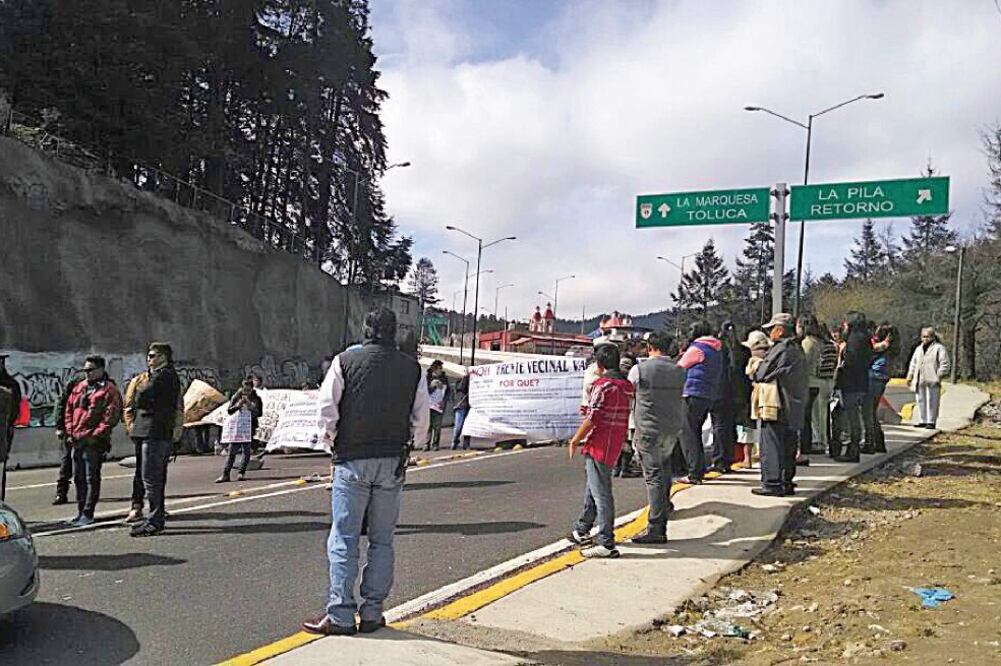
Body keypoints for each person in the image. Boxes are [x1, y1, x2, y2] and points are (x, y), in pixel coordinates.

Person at [301, 308, 428, 636]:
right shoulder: (412, 368)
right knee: (382, 539)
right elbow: (422, 418)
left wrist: (332, 441)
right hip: (392, 461)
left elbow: (326, 408)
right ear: (395, 332)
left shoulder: (345, 362)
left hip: (352, 459)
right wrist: (411, 442)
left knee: (344, 537)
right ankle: (373, 612)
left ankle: (341, 614)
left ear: (366, 329)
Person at [566, 343, 634, 558]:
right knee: (594, 488)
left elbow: (594, 417)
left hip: (599, 443)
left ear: (599, 363)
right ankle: (582, 528)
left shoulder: (602, 385)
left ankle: (606, 541)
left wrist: (575, 440)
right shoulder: (625, 386)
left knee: (601, 493)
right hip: (614, 441)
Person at [627, 332, 685, 544]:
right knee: (665, 469)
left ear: (650, 347)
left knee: (654, 477)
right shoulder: (680, 370)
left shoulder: (639, 370)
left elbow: (628, 392)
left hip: (648, 429)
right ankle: (665, 506)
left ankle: (656, 527)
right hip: (671, 428)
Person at [62, 356, 124, 526]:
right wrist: (70, 430)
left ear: (100, 369)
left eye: (90, 370)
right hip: (77, 438)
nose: (87, 373)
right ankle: (81, 511)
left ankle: (88, 512)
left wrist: (95, 434)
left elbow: (111, 416)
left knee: (91, 477)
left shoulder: (109, 389)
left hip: (94, 441)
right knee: (78, 477)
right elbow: (69, 409)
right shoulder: (79, 387)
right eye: (85, 370)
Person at [128, 342, 181, 537]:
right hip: (149, 431)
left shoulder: (164, 375)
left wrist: (142, 389)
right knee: (149, 477)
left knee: (152, 477)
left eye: (153, 356)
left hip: (155, 431)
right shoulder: (157, 376)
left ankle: (155, 520)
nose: (149, 360)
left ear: (163, 357)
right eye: (148, 356)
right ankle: (153, 517)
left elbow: (141, 395)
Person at [751, 314, 808, 496]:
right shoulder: (797, 349)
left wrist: (755, 364)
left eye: (771, 329)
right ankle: (786, 481)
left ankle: (772, 483)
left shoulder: (781, 349)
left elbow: (761, 373)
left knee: (771, 444)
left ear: (780, 329)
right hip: (794, 405)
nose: (769, 333)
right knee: (788, 446)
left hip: (778, 404)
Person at [676, 321, 725, 484]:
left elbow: (679, 368)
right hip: (708, 394)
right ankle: (698, 468)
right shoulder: (716, 349)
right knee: (695, 430)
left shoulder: (697, 348)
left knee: (688, 433)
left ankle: (694, 473)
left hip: (691, 393)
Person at [833, 313, 873, 462]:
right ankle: (853, 446)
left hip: (851, 383)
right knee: (854, 415)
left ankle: (852, 448)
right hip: (861, 381)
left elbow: (851, 362)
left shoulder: (854, 340)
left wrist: (842, 357)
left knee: (851, 417)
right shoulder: (865, 339)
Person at [216, 378, 264, 482]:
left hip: (248, 428)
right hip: (236, 428)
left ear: (252, 389)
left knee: (246, 452)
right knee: (232, 451)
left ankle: (241, 473)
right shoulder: (236, 397)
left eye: (248, 390)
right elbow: (229, 411)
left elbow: (259, 413)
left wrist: (250, 406)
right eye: (244, 389)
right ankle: (225, 474)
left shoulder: (257, 398)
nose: (246, 392)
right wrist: (238, 405)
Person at [709, 322, 740, 473]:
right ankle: (728, 458)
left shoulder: (717, 349)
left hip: (719, 390)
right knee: (728, 426)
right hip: (735, 392)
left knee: (719, 427)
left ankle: (719, 460)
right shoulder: (738, 348)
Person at [907, 327, 950, 429]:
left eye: (928, 336)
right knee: (920, 400)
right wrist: (910, 375)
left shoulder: (939, 348)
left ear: (932, 337)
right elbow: (913, 363)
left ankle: (931, 421)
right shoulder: (918, 349)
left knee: (932, 400)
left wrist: (938, 376)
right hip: (919, 378)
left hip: (932, 379)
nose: (925, 339)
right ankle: (923, 420)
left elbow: (945, 364)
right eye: (923, 336)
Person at [865, 323, 898, 452]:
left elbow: (870, 351)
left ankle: (873, 442)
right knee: (871, 411)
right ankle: (877, 441)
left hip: (874, 376)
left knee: (869, 411)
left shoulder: (883, 347)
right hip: (881, 378)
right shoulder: (891, 348)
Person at [52, 372, 84, 505]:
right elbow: (61, 402)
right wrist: (60, 426)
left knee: (88, 465)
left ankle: (83, 495)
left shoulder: (105, 383)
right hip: (71, 427)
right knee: (67, 461)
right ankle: (61, 492)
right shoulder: (76, 381)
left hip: (91, 429)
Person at [797, 315, 826, 456]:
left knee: (805, 417)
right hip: (816, 381)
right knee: (810, 416)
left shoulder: (807, 343)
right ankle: (812, 442)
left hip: (808, 381)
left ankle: (807, 444)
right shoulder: (819, 342)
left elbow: (804, 363)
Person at [614, 353, 640, 477]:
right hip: (629, 413)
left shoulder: (615, 379)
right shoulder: (630, 380)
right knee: (627, 442)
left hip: (620, 414)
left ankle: (618, 468)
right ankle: (623, 468)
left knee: (620, 441)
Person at [424, 361, 449, 451]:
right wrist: (432, 386)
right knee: (428, 425)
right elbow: (424, 392)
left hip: (439, 405)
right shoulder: (428, 378)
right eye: (439, 368)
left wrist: (444, 401)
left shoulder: (444, 378)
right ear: (435, 369)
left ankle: (435, 444)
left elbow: (447, 392)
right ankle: (426, 444)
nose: (441, 370)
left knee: (437, 426)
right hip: (429, 405)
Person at [0, 354, 21, 454]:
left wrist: (10, 422)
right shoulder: (12, 384)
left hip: (5, 425)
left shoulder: (12, 384)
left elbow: (16, 406)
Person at [450, 370, 471, 451]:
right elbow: (461, 387)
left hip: (468, 405)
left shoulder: (470, 381)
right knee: (458, 426)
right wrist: (466, 377)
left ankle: (466, 444)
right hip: (460, 405)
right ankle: (455, 441)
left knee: (468, 426)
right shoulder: (459, 381)